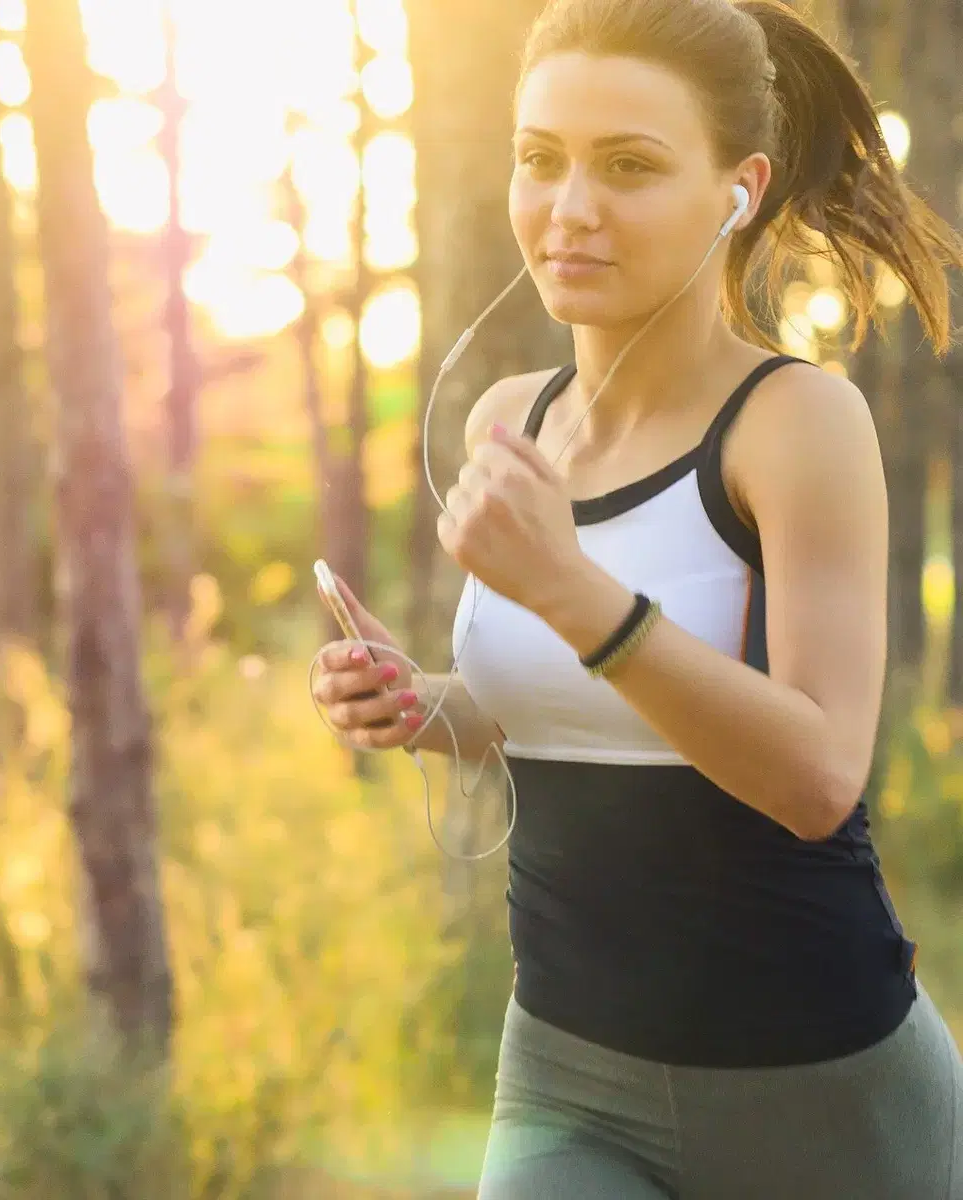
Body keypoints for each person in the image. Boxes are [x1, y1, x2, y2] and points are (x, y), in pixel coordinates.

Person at [312, 0, 963, 1195]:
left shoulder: (796, 424)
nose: (570, 209)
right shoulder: (511, 415)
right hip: (567, 1079)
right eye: (540, 159)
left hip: (824, 1095)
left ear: (740, 189)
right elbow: (556, 711)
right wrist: (424, 704)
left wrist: (570, 591)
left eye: (630, 167)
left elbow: (819, 778)